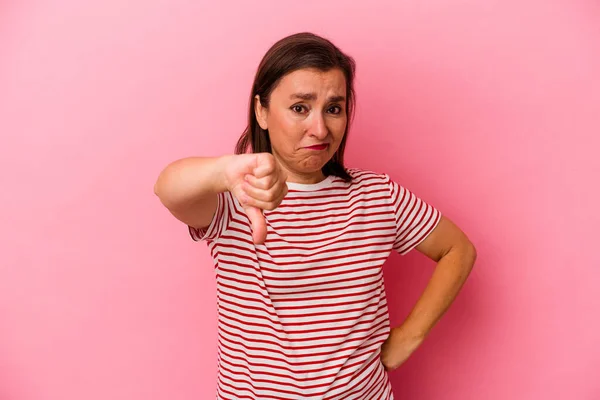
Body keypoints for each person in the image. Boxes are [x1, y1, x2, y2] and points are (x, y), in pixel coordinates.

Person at [154, 32, 476, 400]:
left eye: (334, 108)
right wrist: (224, 173)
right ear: (261, 111)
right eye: (300, 108)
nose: (320, 129)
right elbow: (167, 187)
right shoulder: (234, 199)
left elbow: (458, 250)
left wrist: (409, 336)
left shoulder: (378, 196)